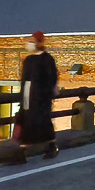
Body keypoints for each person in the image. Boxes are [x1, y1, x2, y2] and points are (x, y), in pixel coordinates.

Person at [18, 31, 59, 159]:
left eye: (31, 41)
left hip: (41, 96)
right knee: (25, 120)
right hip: (27, 95)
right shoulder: (28, 60)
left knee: (44, 121)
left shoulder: (47, 59)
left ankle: (51, 146)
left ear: (39, 43)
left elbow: (52, 78)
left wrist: (46, 93)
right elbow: (24, 79)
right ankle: (22, 149)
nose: (29, 44)